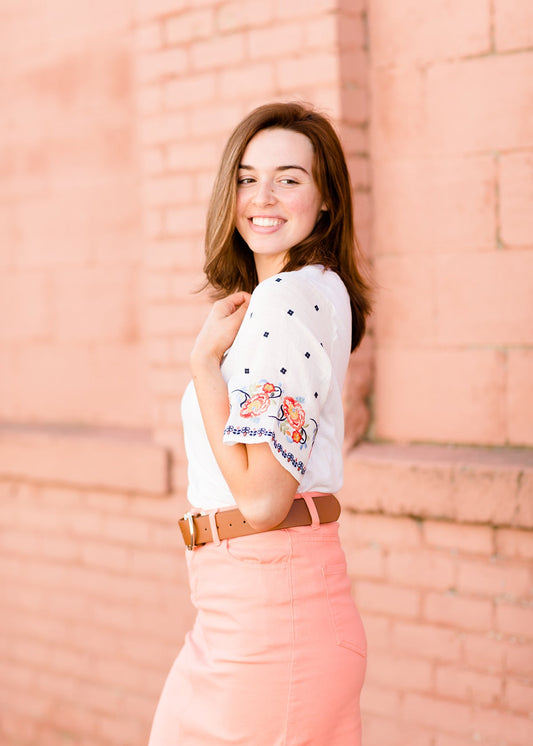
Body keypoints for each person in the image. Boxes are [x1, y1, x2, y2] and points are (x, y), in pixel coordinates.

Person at [148, 101, 372, 746]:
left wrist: (203, 368)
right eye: (246, 177)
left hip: (270, 613)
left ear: (326, 198)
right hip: (250, 606)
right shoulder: (313, 293)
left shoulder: (288, 298)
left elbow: (264, 498)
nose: (261, 196)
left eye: (289, 178)